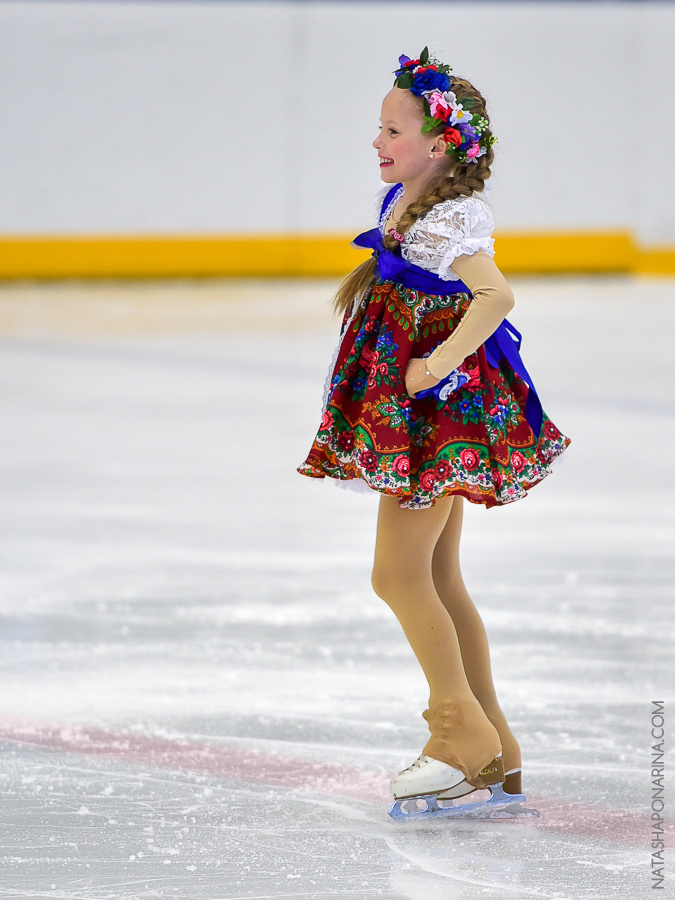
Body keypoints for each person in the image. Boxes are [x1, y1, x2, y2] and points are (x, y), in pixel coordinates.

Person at [298, 49, 570, 816]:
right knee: (439, 577)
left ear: (441, 143)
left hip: (434, 415)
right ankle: (497, 747)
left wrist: (438, 359)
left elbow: (496, 294)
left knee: (397, 575)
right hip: (422, 410)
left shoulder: (448, 219)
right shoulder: (410, 207)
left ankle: (458, 736)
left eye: (392, 130)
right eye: (377, 127)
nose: (377, 142)